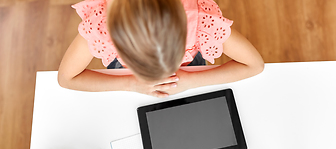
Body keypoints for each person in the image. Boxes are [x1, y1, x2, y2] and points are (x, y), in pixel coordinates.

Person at [58, 0, 264, 98]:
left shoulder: (200, 19)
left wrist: (191, 79)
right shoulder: (102, 25)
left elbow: (254, 65)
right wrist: (130, 84)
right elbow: (66, 78)